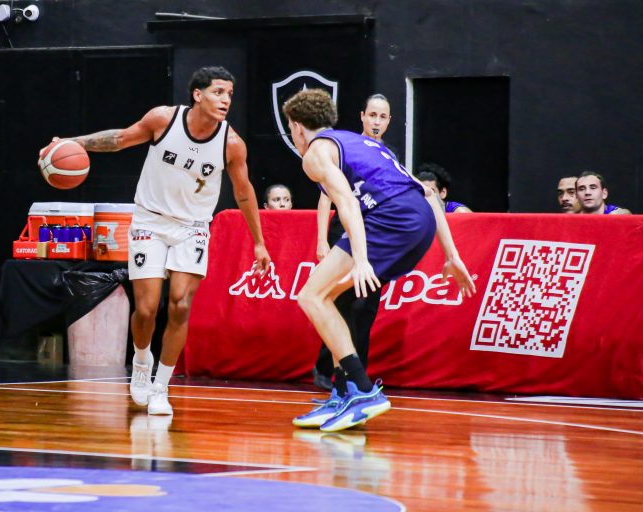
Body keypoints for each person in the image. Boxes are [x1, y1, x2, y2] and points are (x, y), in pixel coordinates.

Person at [46, 66, 271, 417]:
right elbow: (119, 139)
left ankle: (161, 387)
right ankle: (141, 360)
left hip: (193, 227)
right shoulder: (164, 120)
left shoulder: (232, 144)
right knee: (148, 309)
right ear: (197, 94)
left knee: (180, 304)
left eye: (229, 94)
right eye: (218, 92)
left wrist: (259, 242)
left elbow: (244, 192)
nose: (225, 100)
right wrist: (72, 143)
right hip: (150, 221)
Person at [282, 89, 475, 432]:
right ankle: (342, 393)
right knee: (334, 297)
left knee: (311, 296)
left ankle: (362, 391)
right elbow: (429, 195)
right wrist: (452, 255)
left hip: (391, 220)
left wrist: (360, 260)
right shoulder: (364, 145)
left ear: (297, 127)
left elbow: (347, 203)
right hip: (419, 221)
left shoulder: (315, 152)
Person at [312, 94, 391, 392]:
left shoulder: (388, 156)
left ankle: (360, 376)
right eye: (372, 115)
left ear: (389, 121)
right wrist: (322, 240)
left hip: (374, 237)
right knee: (340, 303)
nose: (376, 121)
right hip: (343, 234)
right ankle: (328, 368)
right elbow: (326, 197)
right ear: (362, 116)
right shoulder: (346, 148)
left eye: (382, 117)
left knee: (366, 307)